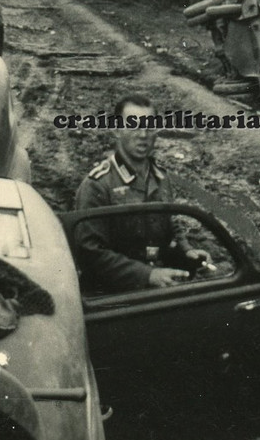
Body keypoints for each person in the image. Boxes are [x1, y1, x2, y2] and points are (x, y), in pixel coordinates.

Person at [73, 95, 210, 292]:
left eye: (150, 127)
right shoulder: (98, 185)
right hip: (114, 298)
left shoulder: (161, 178)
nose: (143, 134)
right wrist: (147, 275)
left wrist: (187, 252)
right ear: (116, 130)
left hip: (156, 289)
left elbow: (171, 228)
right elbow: (89, 253)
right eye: (134, 126)